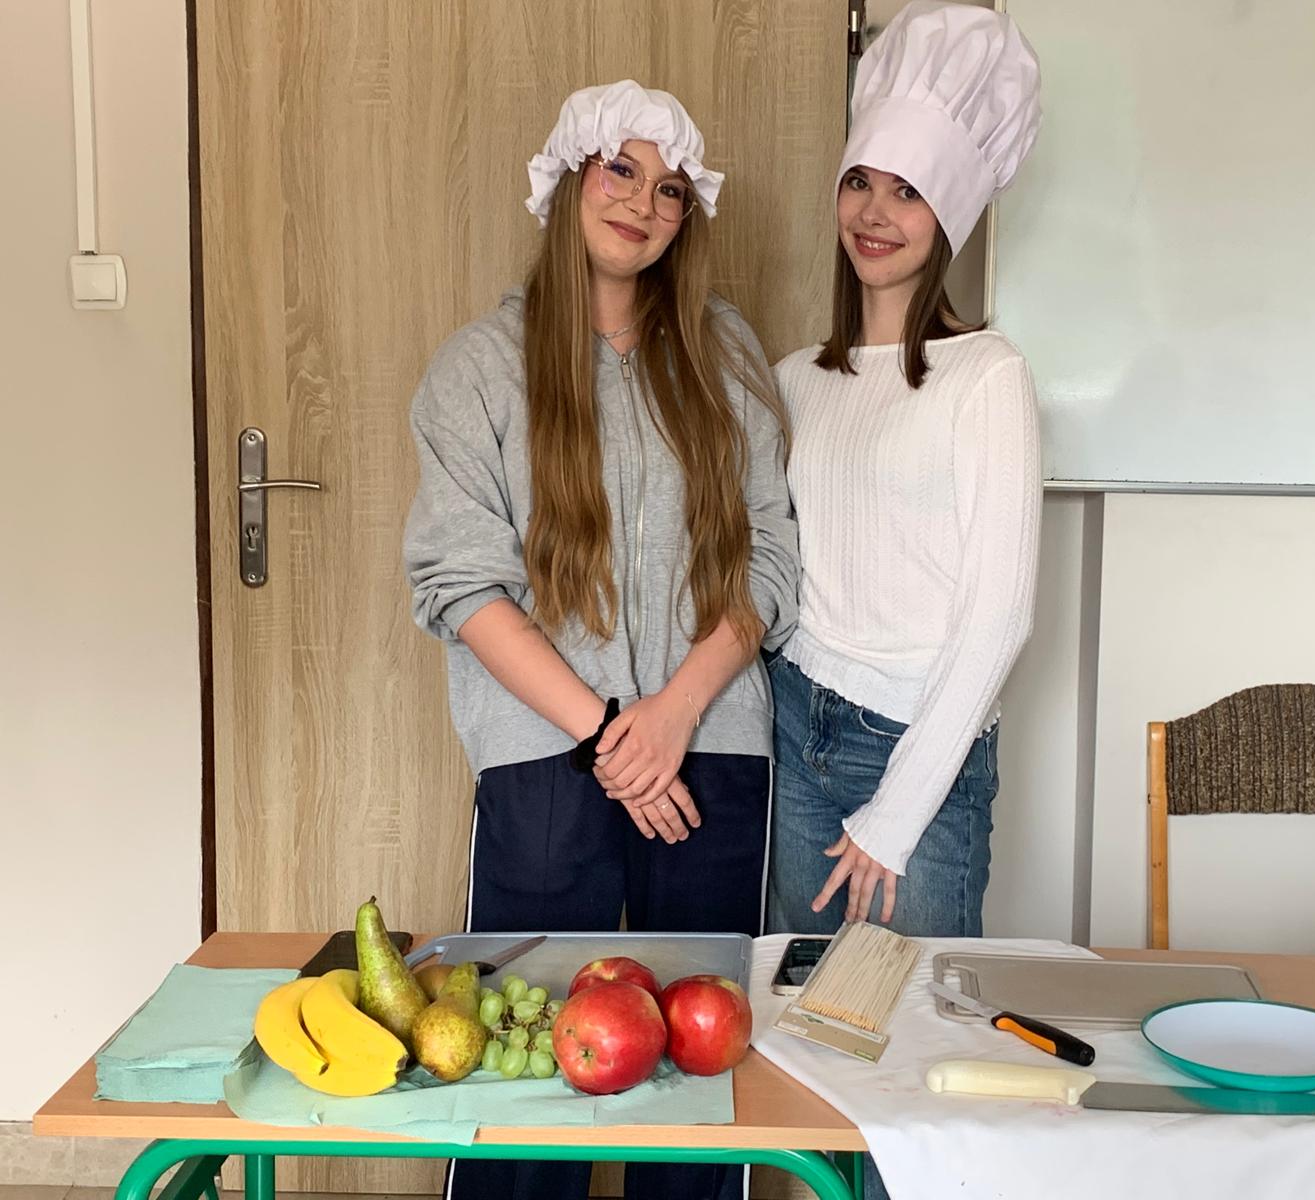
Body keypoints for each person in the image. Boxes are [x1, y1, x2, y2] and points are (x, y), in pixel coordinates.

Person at [403, 79, 797, 1200]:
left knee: (697, 1084)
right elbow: (460, 582)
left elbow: (770, 559)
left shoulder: (724, 356)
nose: (642, 203)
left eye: (670, 189)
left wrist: (671, 716)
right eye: (621, 170)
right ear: (570, 178)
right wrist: (611, 735)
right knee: (527, 1077)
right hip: (544, 755)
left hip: (709, 749)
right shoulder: (478, 368)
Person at [766, 0, 1044, 941]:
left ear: (949, 215)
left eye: (908, 192)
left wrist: (895, 815)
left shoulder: (987, 376)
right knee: (800, 1003)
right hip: (794, 722)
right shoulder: (793, 379)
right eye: (859, 182)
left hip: (915, 746)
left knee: (909, 1011)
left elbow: (999, 618)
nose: (874, 214)